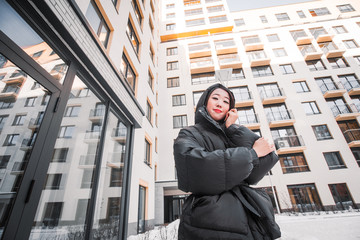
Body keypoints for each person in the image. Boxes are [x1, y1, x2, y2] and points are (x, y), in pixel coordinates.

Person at [173, 83, 281, 240]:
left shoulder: (231, 134)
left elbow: (264, 162)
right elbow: (196, 168)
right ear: (204, 103)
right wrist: (252, 154)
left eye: (226, 101)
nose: (219, 104)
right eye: (215, 98)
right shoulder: (189, 133)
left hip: (248, 219)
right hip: (210, 221)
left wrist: (233, 129)